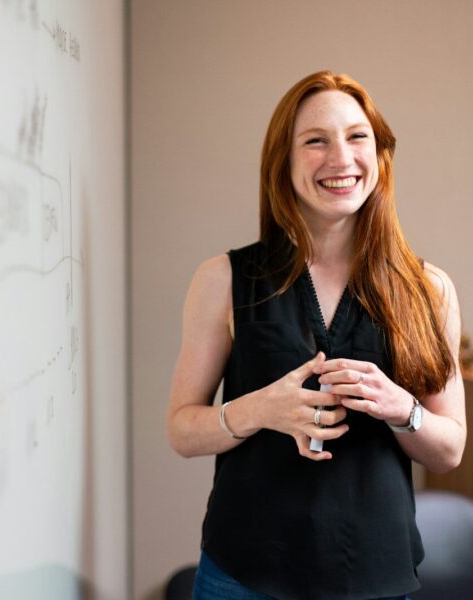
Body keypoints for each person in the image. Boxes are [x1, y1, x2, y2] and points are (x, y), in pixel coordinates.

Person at [167, 71, 466, 600]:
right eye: (315, 141)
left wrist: (402, 408)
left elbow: (450, 450)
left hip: (376, 579)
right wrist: (259, 410)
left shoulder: (430, 289)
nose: (341, 158)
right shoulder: (222, 279)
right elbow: (182, 430)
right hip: (243, 577)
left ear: (380, 154)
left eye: (357, 137)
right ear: (283, 161)